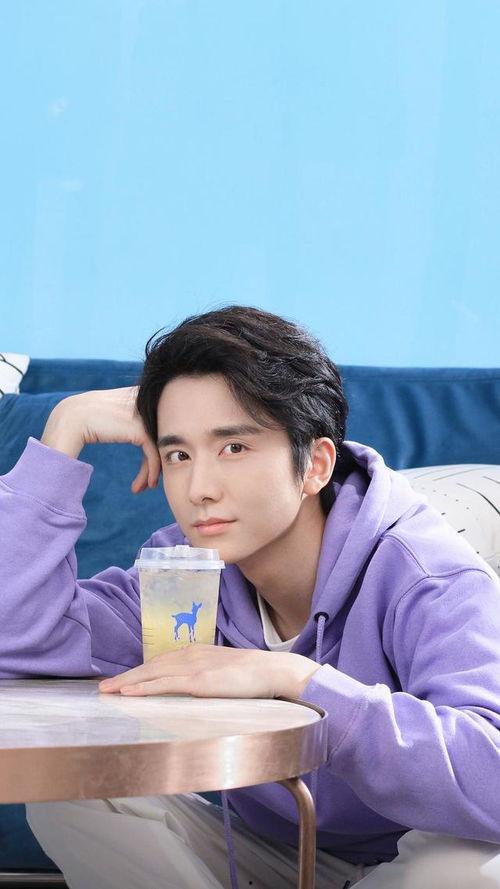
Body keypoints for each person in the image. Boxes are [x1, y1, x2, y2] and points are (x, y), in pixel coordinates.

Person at [1, 305, 500, 889]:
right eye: (178, 455)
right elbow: (16, 640)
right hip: (270, 853)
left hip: (411, 858)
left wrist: (296, 680)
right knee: (78, 792)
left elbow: (491, 771)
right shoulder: (184, 573)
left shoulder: (423, 572)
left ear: (315, 465)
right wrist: (62, 434)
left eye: (234, 448)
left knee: (469, 871)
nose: (199, 489)